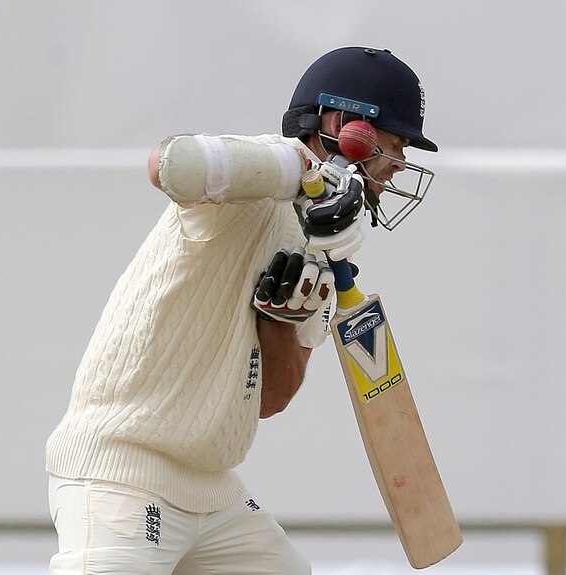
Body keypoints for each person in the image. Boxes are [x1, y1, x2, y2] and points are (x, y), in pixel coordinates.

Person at [45, 46, 437, 575]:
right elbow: (170, 164)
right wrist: (301, 172)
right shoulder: (250, 182)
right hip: (122, 473)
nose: (397, 169)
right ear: (344, 126)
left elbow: (271, 399)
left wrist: (277, 323)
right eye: (394, 146)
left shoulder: (327, 240)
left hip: (213, 492)